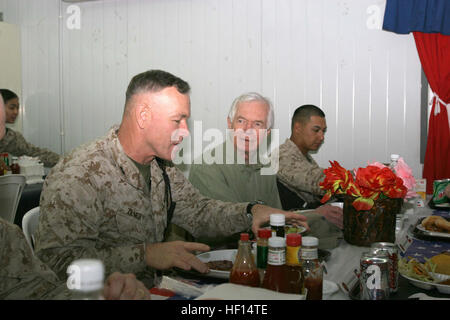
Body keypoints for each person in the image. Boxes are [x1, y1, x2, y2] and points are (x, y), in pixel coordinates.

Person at [34, 70, 307, 288]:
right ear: (144, 116)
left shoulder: (160, 167)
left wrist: (251, 211)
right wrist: (146, 255)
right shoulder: (79, 173)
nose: (186, 132)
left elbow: (199, 212)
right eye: (178, 120)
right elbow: (56, 263)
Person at [188, 93, 342, 249]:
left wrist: (313, 215)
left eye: (257, 124)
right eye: (241, 121)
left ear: (267, 132)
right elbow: (226, 228)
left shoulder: (266, 166)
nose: (247, 130)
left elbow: (276, 220)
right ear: (230, 123)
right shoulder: (206, 167)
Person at [0, 218, 151, 300]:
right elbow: (59, 262)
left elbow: (36, 292)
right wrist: (145, 255)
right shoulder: (75, 177)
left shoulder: (4, 235)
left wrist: (103, 296)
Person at [276, 104, 343, 229]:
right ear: (297, 128)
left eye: (323, 131)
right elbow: (319, 182)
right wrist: (366, 176)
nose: (321, 137)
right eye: (316, 130)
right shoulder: (282, 157)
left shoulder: (304, 157)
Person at [0, 89, 60, 167]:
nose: (16, 112)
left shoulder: (10, 137)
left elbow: (33, 153)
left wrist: (64, 161)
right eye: (12, 108)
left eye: (17, 108)